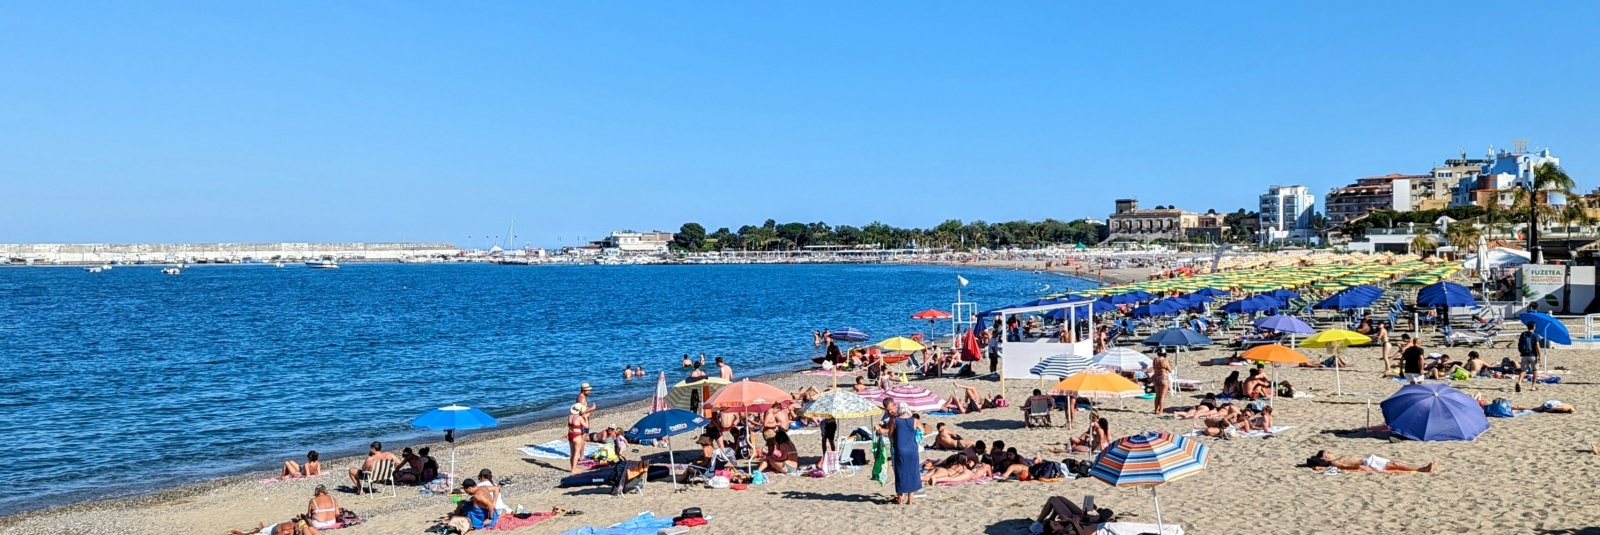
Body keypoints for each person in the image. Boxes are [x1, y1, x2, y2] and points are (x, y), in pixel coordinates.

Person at [888, 401, 922, 505]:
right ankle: (910, 499)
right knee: (912, 473)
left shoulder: (895, 420)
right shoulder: (914, 420)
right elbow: (922, 430)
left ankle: (900, 499)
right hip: (912, 449)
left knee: (900, 473)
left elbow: (890, 434)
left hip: (900, 449)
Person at [1031, 496, 1114, 535]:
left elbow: (1082, 528)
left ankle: (1039, 522)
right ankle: (1048, 520)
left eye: (1056, 523)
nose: (1058, 522)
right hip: (1080, 518)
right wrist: (1094, 510)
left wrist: (1070, 520)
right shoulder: (1104, 523)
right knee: (1057, 498)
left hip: (1075, 519)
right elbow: (1089, 521)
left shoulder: (1068, 530)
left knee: (1054, 499)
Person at [1304, 450, 1437, 473]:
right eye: (1328, 452)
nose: (1330, 452)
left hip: (1370, 459)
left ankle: (1421, 467)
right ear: (1325, 457)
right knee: (1396, 465)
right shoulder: (1334, 463)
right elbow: (1345, 467)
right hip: (1368, 463)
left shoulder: (1337, 459)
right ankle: (1422, 469)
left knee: (1396, 462)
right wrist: (1359, 468)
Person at [1519, 322, 1543, 390]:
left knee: (1523, 370)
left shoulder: (1523, 334)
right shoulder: (1536, 335)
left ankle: (1519, 382)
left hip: (1524, 354)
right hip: (1532, 355)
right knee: (1535, 370)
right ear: (1534, 327)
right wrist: (1540, 356)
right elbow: (1537, 347)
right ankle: (1533, 386)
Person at [567, 403, 589, 474]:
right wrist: (585, 417)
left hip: (570, 435)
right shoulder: (579, 418)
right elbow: (586, 426)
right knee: (576, 453)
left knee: (572, 453)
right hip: (577, 436)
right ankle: (573, 469)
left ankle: (572, 467)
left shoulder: (569, 416)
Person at [1150, 349, 1172, 414]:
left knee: (1157, 395)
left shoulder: (1155, 360)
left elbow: (1154, 368)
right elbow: (1170, 370)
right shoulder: (1165, 361)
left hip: (1156, 377)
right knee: (1162, 396)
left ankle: (1156, 410)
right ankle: (1161, 411)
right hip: (1163, 377)